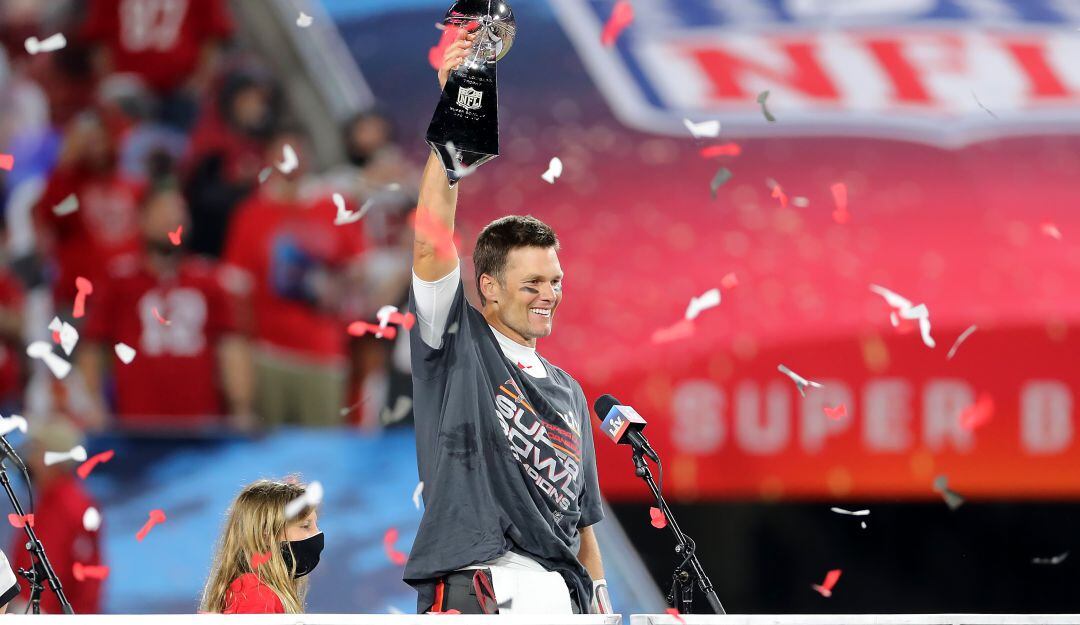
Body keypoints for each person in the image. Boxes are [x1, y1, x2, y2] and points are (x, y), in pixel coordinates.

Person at [403, 30, 610, 615]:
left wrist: (597, 601)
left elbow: (582, 523)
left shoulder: (569, 391)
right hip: (481, 587)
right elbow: (429, 245)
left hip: (560, 598)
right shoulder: (456, 342)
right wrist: (452, 129)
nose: (550, 295)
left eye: (555, 281)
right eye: (532, 284)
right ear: (488, 287)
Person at [77, 182, 253, 430]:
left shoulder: (208, 281)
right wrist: (92, 404)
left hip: (200, 426)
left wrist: (241, 407)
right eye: (163, 211)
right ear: (142, 218)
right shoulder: (119, 280)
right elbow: (92, 347)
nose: (172, 219)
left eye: (179, 211)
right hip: (136, 427)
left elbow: (231, 346)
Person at [222, 130, 367, 426]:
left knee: (322, 454)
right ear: (268, 159)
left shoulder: (332, 206)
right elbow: (238, 288)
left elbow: (359, 270)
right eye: (282, 152)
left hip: (324, 352)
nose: (290, 160)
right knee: (269, 459)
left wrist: (335, 288)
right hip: (268, 352)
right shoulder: (251, 214)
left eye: (297, 152)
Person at [8, 418, 104, 614]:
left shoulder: (69, 508)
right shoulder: (48, 502)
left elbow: (81, 581)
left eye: (37, 451)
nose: (31, 459)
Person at [200, 479, 323, 614]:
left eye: (316, 525)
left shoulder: (255, 590)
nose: (317, 534)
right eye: (305, 526)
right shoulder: (257, 595)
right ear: (266, 533)